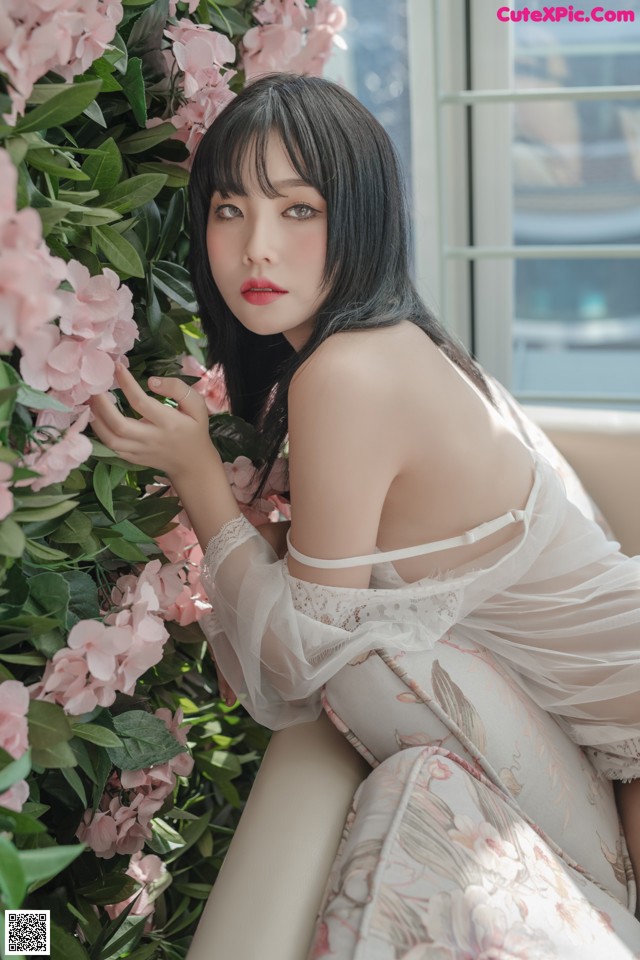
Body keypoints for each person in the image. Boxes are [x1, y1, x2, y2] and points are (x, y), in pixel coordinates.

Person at [88, 72, 640, 886]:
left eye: (298, 209)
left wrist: (196, 475)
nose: (256, 248)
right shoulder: (374, 345)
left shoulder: (346, 372)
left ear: (362, 216)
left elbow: (297, 661)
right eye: (229, 209)